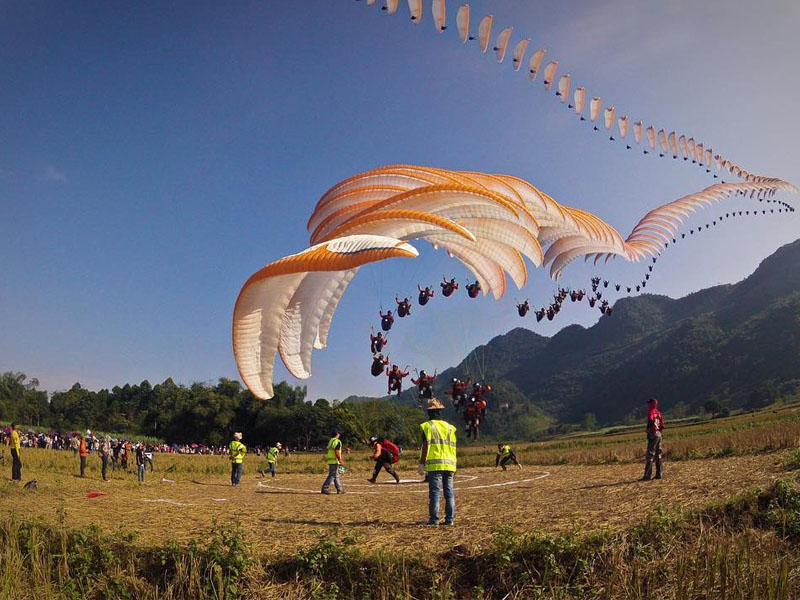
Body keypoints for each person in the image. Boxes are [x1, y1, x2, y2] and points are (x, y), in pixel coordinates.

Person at [419, 398, 456, 525]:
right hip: (450, 464)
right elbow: (453, 447)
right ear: (440, 411)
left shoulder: (427, 426)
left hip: (435, 466)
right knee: (449, 493)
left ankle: (434, 519)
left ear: (429, 412)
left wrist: (421, 463)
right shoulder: (450, 427)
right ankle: (450, 520)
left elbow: (426, 446)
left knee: (435, 492)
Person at [642, 398, 664, 481]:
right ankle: (659, 474)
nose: (647, 405)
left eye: (649, 403)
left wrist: (648, 430)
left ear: (651, 404)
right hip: (659, 434)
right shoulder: (659, 413)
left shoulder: (651, 412)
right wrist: (659, 432)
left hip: (653, 434)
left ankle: (647, 476)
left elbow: (651, 421)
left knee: (650, 455)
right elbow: (662, 425)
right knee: (658, 454)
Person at [321, 430, 344, 494]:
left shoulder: (331, 441)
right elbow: (337, 452)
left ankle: (340, 489)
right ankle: (325, 488)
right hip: (334, 460)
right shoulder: (337, 441)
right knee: (332, 475)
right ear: (337, 434)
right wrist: (340, 460)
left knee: (335, 475)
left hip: (331, 460)